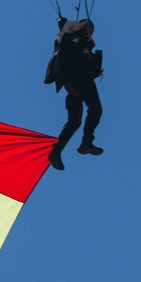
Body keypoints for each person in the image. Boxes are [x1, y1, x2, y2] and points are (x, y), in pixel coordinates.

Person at [44, 17, 103, 170]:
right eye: (90, 29)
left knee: (74, 122)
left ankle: (56, 152)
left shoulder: (72, 40)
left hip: (72, 83)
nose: (90, 33)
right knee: (96, 109)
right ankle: (87, 142)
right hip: (78, 78)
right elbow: (71, 54)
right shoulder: (75, 38)